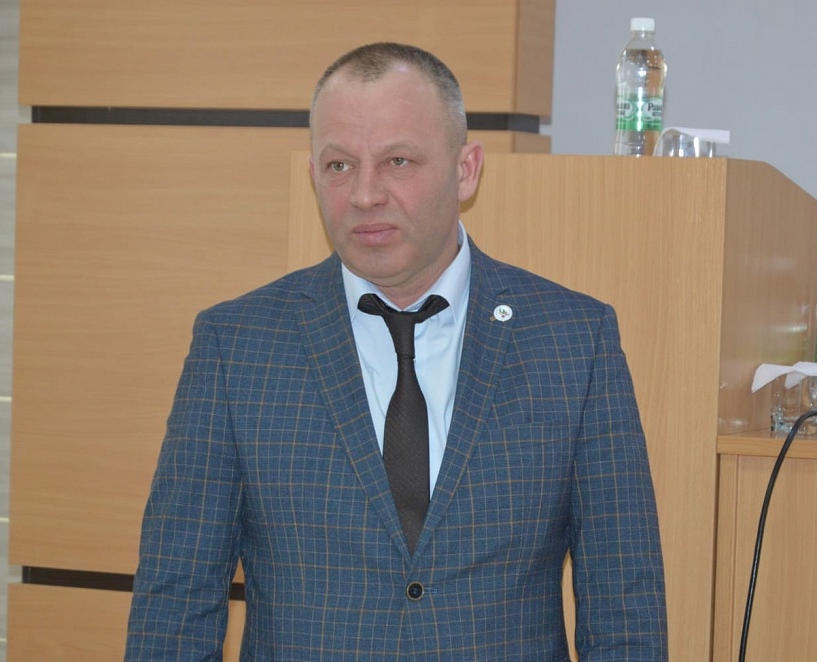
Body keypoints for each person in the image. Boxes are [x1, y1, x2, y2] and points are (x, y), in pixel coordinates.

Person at [125, 42, 667, 660]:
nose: (365, 194)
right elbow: (175, 603)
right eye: (339, 166)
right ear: (313, 176)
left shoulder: (574, 341)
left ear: (466, 170)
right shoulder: (237, 347)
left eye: (398, 161)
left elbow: (625, 602)